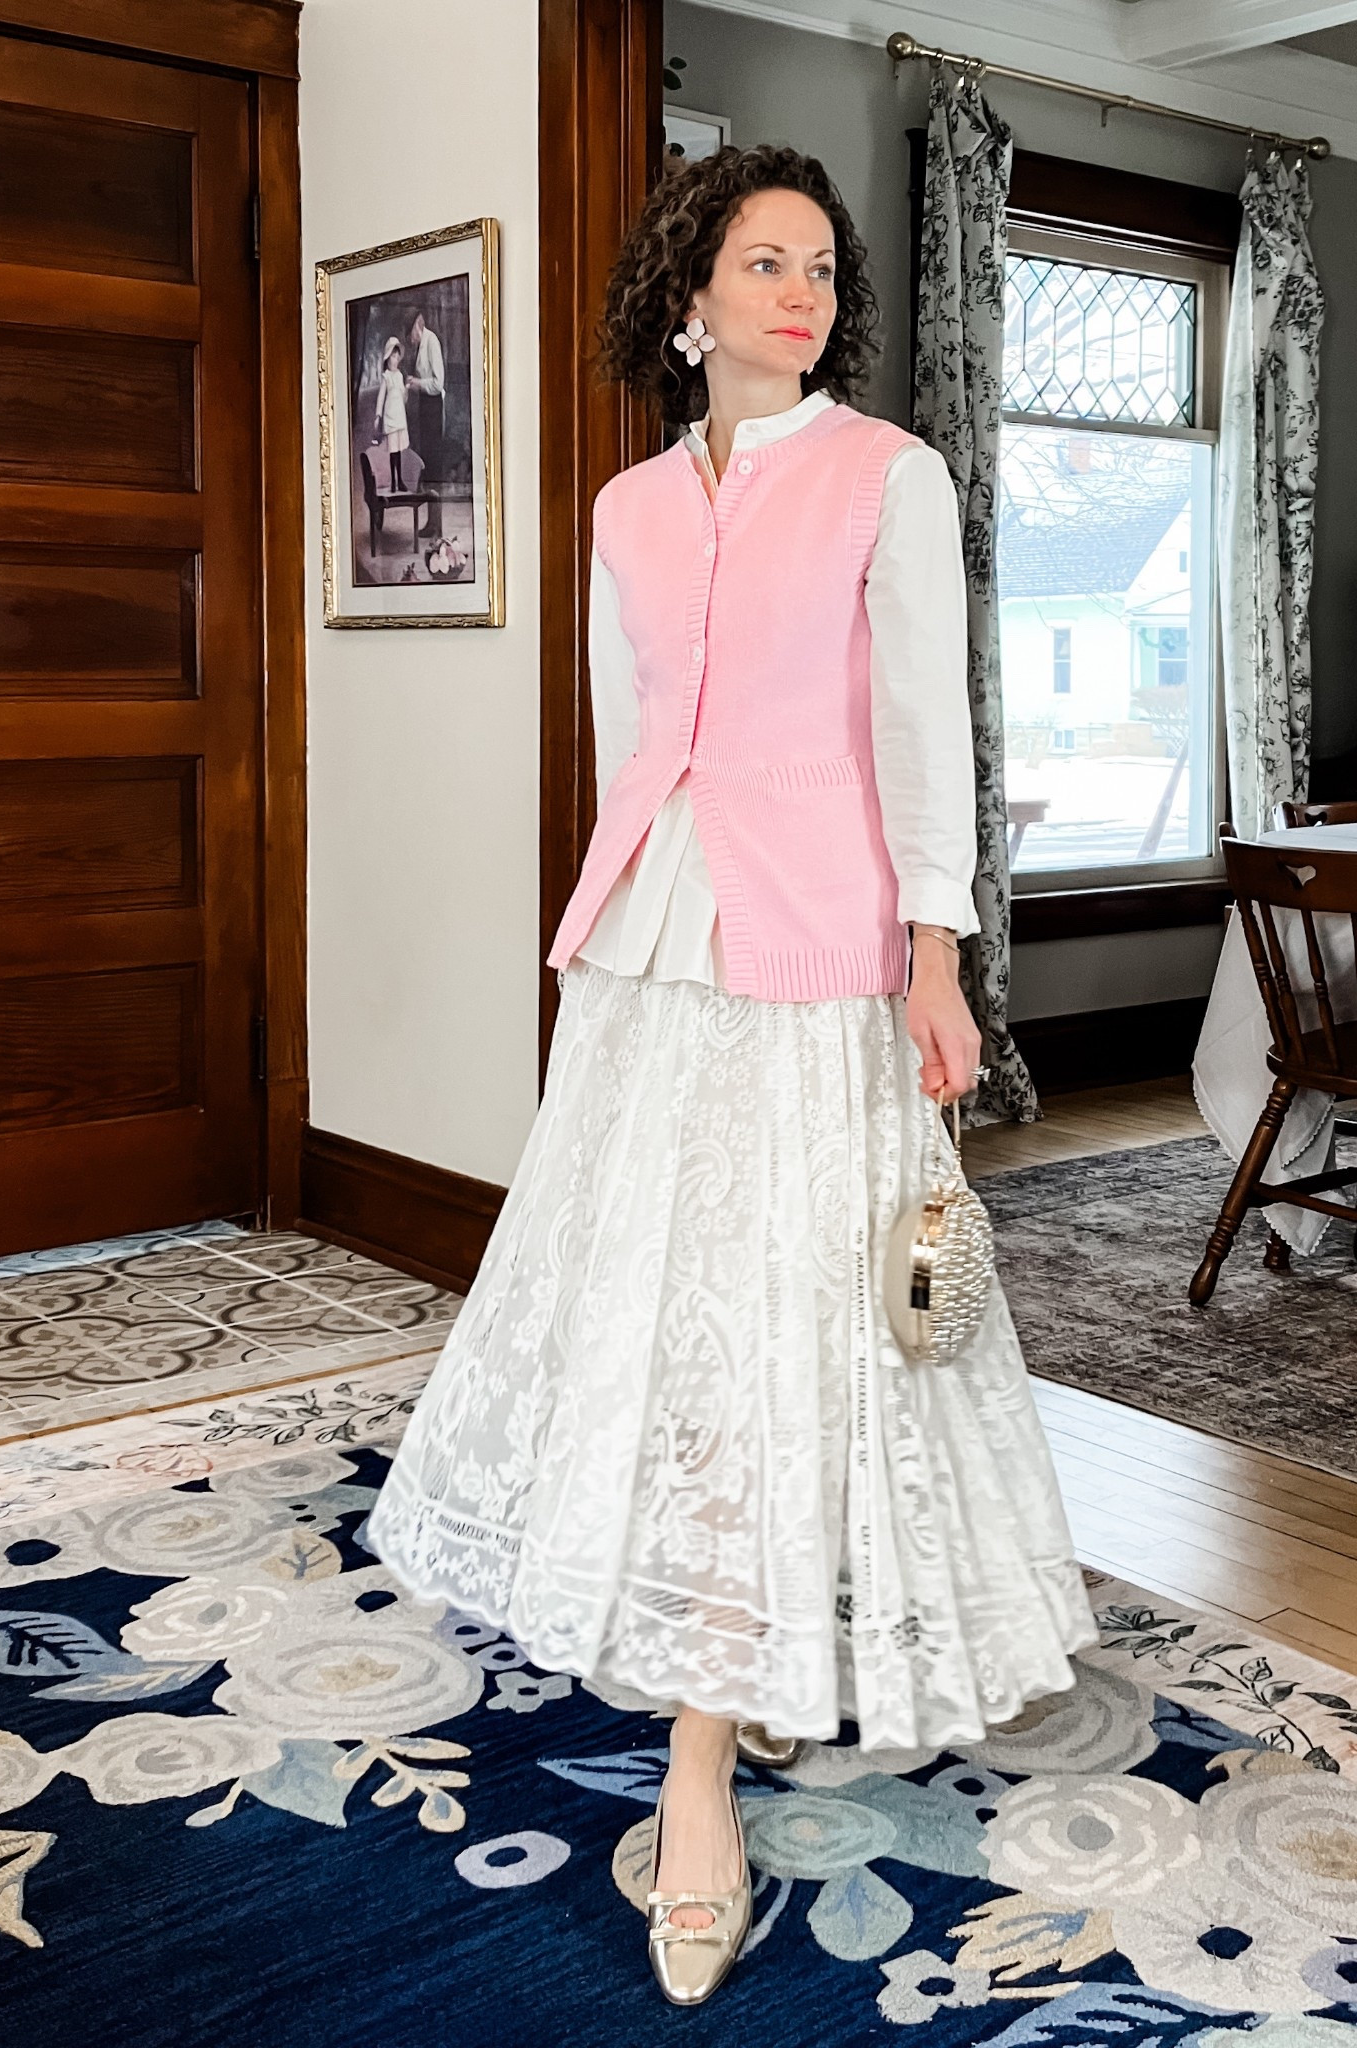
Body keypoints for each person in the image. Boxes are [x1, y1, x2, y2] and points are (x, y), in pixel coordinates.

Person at [364, 143, 1097, 2007]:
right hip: (650, 949)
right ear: (687, 296)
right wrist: (608, 943)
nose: (801, 291)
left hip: (821, 951)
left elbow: (930, 730)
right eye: (761, 262)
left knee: (795, 1318)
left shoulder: (886, 478)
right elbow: (632, 750)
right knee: (659, 1303)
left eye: (823, 268)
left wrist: (939, 958)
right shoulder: (620, 508)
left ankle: (701, 1758)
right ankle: (730, 1659)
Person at [405, 306, 445, 538]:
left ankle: (436, 524)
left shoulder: (432, 342)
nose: (411, 339)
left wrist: (417, 383)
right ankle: (432, 523)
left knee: (434, 467)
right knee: (427, 466)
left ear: (417, 327)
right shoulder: (421, 345)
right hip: (425, 408)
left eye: (411, 333)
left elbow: (438, 384)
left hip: (433, 408)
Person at [372, 336, 409, 494]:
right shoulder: (386, 377)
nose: (395, 360)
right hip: (390, 417)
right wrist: (378, 415)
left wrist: (406, 388)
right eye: (392, 357)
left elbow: (403, 397)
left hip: (400, 417)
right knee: (393, 450)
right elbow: (381, 398)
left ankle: (399, 480)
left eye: (397, 357)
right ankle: (393, 482)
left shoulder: (399, 375)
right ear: (387, 359)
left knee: (398, 450)